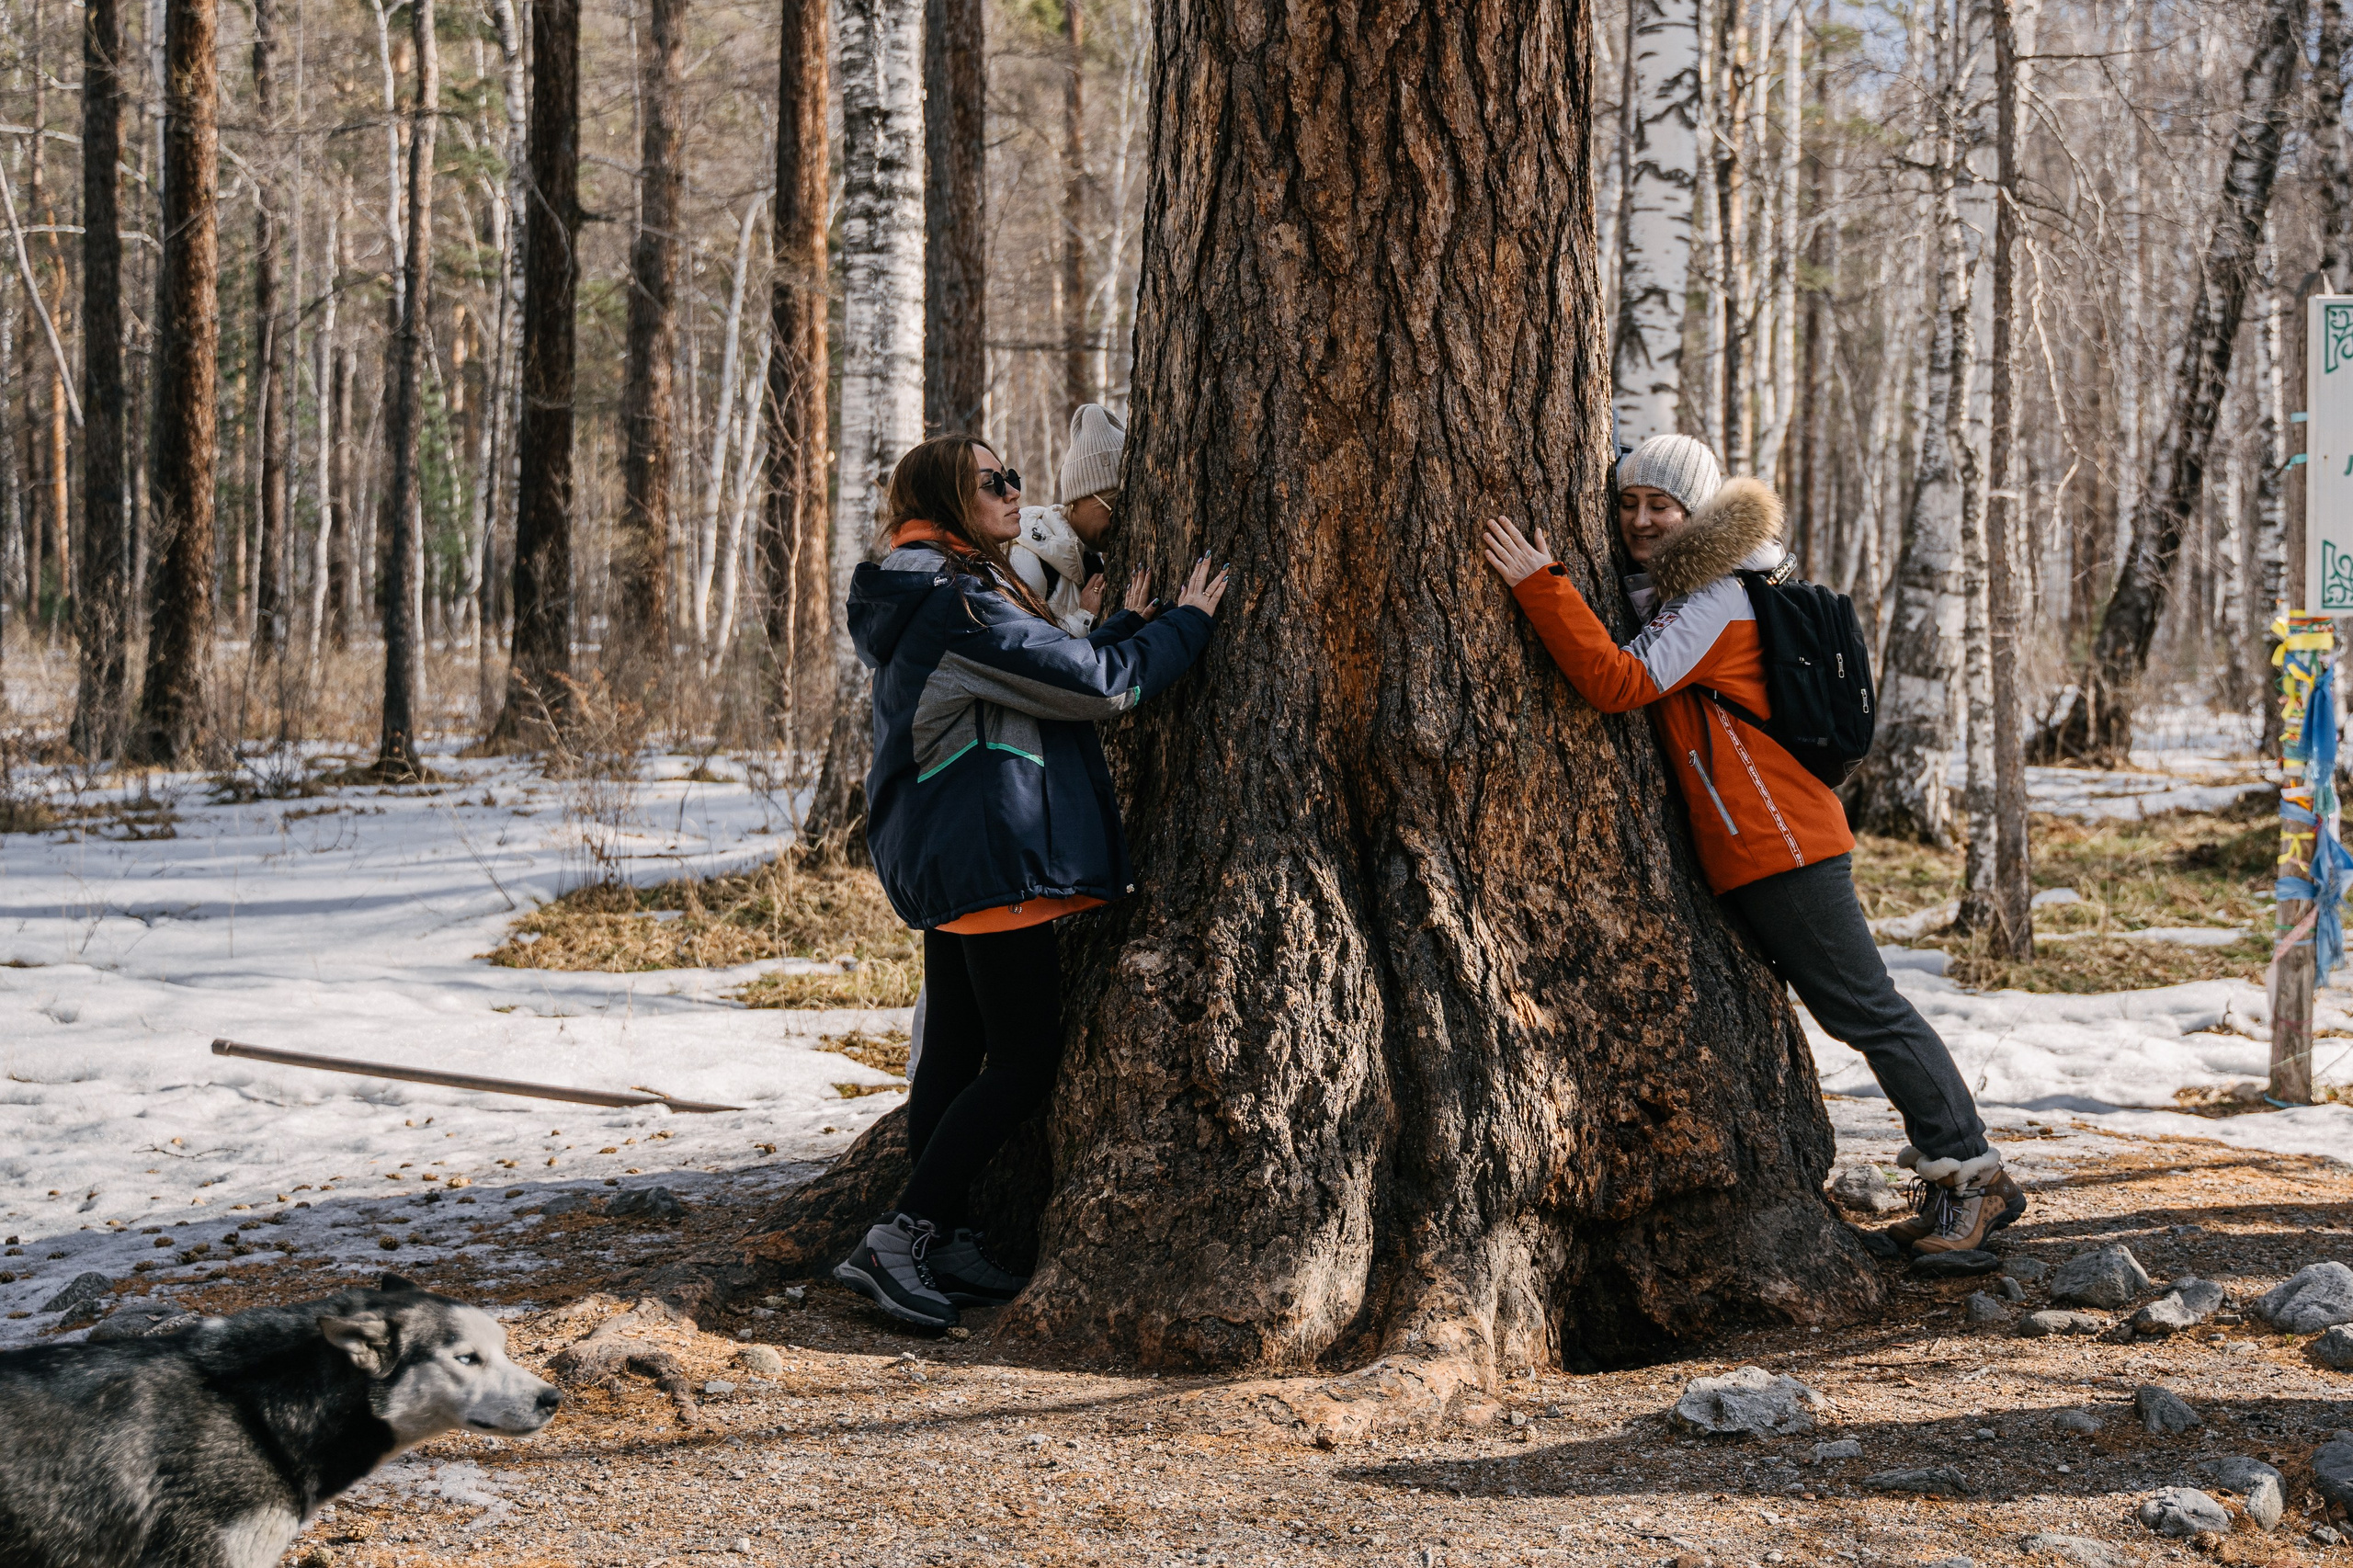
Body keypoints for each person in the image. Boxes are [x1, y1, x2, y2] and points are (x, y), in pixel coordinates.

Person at [1479, 432, 2024, 1257]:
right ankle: (1967, 1175)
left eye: (1662, 505)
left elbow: (1618, 681)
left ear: (1698, 513)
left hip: (1782, 844)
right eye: (1628, 503)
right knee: (1861, 1008)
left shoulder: (1716, 600)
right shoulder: (1696, 590)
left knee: (1867, 1010)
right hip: (1761, 841)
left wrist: (1540, 583)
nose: (1640, 520)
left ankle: (1972, 1177)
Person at [835, 433, 1229, 1329]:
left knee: (954, 1051)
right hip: (988, 852)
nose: (1015, 491)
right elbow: (1097, 688)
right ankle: (901, 1237)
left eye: (1012, 475)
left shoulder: (933, 590)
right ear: (948, 500)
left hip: (953, 848)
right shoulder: (959, 602)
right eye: (992, 482)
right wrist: (1185, 625)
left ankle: (939, 1234)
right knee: (1022, 1060)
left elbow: (1032, 678)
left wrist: (1121, 627)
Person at [1010, 403, 1128, 637]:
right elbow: (1021, 650)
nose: (1121, 525)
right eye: (1114, 510)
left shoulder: (1093, 558)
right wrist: (1085, 616)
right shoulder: (1027, 559)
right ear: (1077, 499)